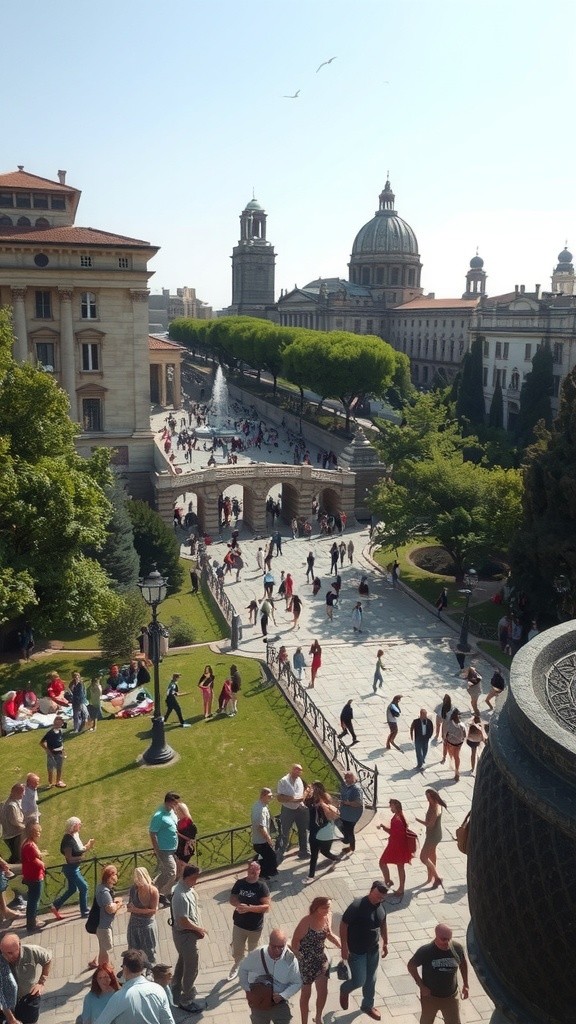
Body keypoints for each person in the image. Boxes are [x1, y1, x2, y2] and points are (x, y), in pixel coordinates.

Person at [339, 881, 389, 1021]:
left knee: (371, 979)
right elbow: (344, 924)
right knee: (359, 980)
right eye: (377, 895)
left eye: (381, 898)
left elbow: (383, 922)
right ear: (371, 890)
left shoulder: (380, 907)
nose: (378, 899)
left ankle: (367, 1006)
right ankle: (345, 989)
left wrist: (385, 942)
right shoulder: (357, 905)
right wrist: (344, 946)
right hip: (357, 951)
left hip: (373, 950)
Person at [88, 948, 175, 1024]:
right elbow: (168, 1021)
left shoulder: (120, 997)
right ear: (142, 968)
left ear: (125, 968)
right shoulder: (159, 990)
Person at [292, 897, 341, 1024]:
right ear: (316, 908)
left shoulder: (328, 916)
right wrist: (298, 956)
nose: (327, 910)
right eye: (324, 907)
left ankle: (318, 1017)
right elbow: (295, 941)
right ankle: (304, 1021)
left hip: (320, 958)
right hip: (306, 960)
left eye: (329, 907)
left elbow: (328, 933)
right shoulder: (306, 921)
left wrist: (340, 945)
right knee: (306, 993)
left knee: (323, 991)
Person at [407, 924, 469, 1024]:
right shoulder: (426, 951)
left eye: (449, 939)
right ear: (436, 935)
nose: (447, 942)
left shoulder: (457, 948)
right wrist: (421, 986)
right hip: (430, 997)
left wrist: (466, 984)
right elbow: (411, 966)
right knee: (426, 1021)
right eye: (443, 939)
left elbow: (463, 963)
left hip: (451, 997)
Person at [238, 928, 302, 1024]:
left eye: (281, 947)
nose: (277, 950)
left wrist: (283, 995)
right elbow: (243, 969)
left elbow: (297, 982)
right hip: (260, 1002)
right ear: (269, 943)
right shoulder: (257, 954)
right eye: (274, 946)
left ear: (285, 945)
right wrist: (247, 990)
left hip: (279, 1004)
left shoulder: (290, 960)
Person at [170, 864, 206, 1014]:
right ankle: (187, 999)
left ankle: (175, 992)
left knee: (182, 962)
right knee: (191, 968)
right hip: (185, 935)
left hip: (187, 934)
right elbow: (183, 921)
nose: (196, 881)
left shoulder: (187, 889)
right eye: (195, 878)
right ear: (188, 877)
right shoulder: (180, 895)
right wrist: (199, 929)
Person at [227, 861, 272, 981]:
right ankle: (237, 966)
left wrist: (249, 908)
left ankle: (252, 970)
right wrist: (238, 905)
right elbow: (232, 898)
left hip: (254, 927)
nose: (252, 873)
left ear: (259, 872)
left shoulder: (262, 886)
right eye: (250, 871)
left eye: (255, 871)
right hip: (239, 924)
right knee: (237, 950)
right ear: (247, 871)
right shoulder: (240, 883)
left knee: (253, 951)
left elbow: (267, 907)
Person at [0, 932, 52, 1024]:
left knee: (30, 1020)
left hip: (29, 996)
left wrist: (41, 982)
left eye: (11, 953)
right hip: (9, 1001)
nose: (7, 957)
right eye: (4, 953)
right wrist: (11, 1019)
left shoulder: (32, 951)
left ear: (19, 945)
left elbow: (47, 959)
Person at [51, 816, 94, 920]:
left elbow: (79, 850)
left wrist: (88, 846)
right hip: (71, 869)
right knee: (84, 887)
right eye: (79, 824)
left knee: (72, 889)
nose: (80, 826)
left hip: (74, 868)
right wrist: (80, 859)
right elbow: (69, 858)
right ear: (74, 826)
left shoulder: (74, 837)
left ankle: (55, 905)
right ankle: (84, 911)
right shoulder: (67, 841)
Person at [304, 782, 340, 885]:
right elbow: (302, 802)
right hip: (314, 831)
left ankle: (335, 858)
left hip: (325, 830)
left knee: (325, 851)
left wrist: (322, 804)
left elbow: (335, 814)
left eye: (312, 789)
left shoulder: (325, 802)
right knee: (314, 854)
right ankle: (311, 875)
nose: (310, 791)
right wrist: (307, 793)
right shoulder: (309, 801)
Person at [149, 792, 180, 905]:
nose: (176, 806)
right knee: (171, 872)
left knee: (170, 872)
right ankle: (157, 890)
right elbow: (153, 833)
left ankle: (160, 891)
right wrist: (157, 850)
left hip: (173, 848)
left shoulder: (171, 812)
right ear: (168, 802)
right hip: (164, 850)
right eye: (174, 803)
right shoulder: (159, 816)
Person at [377, 799, 413, 899]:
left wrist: (384, 828)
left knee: (382, 862)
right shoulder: (400, 815)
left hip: (395, 846)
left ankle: (390, 883)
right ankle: (395, 885)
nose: (390, 808)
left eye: (391, 806)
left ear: (395, 806)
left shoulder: (397, 819)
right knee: (400, 867)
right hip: (400, 845)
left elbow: (394, 833)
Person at [126, 866, 159, 966]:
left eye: (140, 879)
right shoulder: (134, 889)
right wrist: (130, 907)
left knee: (149, 952)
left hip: (147, 926)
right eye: (136, 879)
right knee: (133, 951)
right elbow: (130, 905)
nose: (138, 882)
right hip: (134, 924)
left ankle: (150, 971)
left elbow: (153, 911)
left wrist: (136, 910)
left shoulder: (153, 891)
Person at [93, 864, 124, 969]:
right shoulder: (105, 892)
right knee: (106, 947)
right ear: (110, 877)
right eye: (115, 874)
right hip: (103, 925)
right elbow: (110, 909)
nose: (116, 876)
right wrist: (118, 904)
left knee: (103, 945)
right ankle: (104, 968)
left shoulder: (100, 887)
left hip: (99, 922)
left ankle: (97, 962)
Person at [277, 765, 309, 862]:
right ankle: (279, 854)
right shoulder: (283, 781)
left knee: (303, 830)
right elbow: (279, 798)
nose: (298, 772)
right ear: (292, 769)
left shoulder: (300, 780)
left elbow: (307, 789)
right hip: (288, 810)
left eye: (300, 770)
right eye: (297, 769)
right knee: (284, 832)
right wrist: (292, 799)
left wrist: (302, 798)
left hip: (300, 808)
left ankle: (304, 851)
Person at [415, 790, 447, 890]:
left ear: (433, 797)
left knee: (423, 857)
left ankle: (437, 877)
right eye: (426, 797)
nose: (427, 799)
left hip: (433, 836)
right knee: (431, 854)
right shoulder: (433, 804)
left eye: (428, 797)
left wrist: (417, 820)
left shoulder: (435, 808)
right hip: (435, 834)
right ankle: (431, 876)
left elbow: (430, 824)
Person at [20, 822, 45, 933]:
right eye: (37, 832)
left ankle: (33, 920)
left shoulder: (29, 843)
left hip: (32, 875)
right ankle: (31, 925)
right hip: (33, 876)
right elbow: (33, 860)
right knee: (33, 901)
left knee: (33, 900)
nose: (39, 834)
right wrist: (43, 864)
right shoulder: (29, 846)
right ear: (32, 833)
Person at [338, 771, 363, 853]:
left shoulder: (356, 789)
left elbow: (358, 803)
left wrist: (347, 803)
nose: (346, 779)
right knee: (343, 827)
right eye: (345, 777)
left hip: (352, 815)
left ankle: (352, 847)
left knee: (349, 830)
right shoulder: (346, 786)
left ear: (353, 778)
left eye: (348, 777)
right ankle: (346, 839)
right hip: (345, 812)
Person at [39, 714, 67, 788]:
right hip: (52, 753)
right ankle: (50, 783)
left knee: (59, 768)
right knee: (50, 768)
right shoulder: (50, 733)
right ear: (54, 723)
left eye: (61, 723)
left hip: (59, 752)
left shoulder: (60, 731)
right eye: (58, 723)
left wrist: (63, 749)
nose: (59, 725)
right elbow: (41, 742)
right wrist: (47, 750)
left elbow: (60, 741)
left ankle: (58, 781)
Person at [1, 784, 25, 863]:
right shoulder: (11, 806)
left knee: (15, 856)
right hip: (13, 835)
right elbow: (14, 821)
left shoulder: (5, 803)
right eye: (21, 793)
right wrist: (24, 827)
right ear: (14, 792)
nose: (23, 795)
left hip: (8, 834)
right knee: (18, 857)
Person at [175, 802, 197, 876]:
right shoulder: (179, 821)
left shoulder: (188, 822)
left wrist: (178, 834)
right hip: (179, 846)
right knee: (179, 865)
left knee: (182, 864)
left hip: (186, 848)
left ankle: (193, 872)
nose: (176, 812)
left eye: (178, 811)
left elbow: (190, 838)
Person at [444, 709, 466, 781]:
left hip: (452, 743)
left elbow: (446, 732)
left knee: (454, 756)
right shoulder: (462, 725)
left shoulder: (450, 723)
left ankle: (456, 772)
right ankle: (456, 770)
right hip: (458, 743)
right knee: (456, 756)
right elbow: (465, 735)